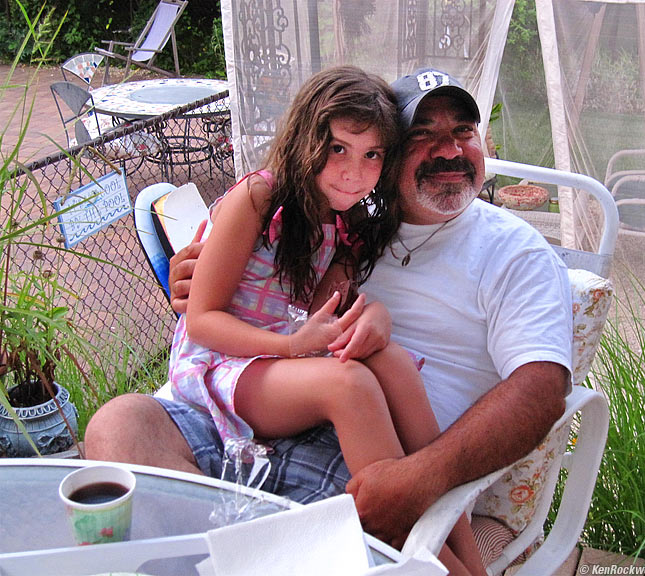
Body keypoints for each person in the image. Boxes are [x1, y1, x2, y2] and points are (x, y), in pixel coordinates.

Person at [86, 67, 571, 565]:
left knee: (375, 375)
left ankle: (239, 554)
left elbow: (542, 390)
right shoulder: (348, 223)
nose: (448, 150)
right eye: (423, 134)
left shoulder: (516, 253)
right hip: (244, 407)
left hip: (360, 460)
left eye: (463, 132)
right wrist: (202, 267)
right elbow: (266, 301)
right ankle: (213, 555)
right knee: (118, 423)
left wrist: (422, 476)